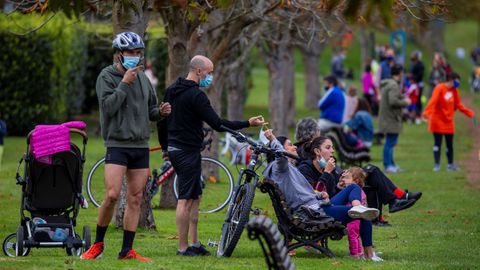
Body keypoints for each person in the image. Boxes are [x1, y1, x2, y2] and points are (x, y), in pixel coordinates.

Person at [157, 55, 265, 256]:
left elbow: (162, 122)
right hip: (186, 151)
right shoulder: (197, 96)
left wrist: (165, 147)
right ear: (199, 71)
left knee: (195, 196)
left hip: (177, 149)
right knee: (185, 199)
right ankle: (182, 248)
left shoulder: (172, 90)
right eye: (210, 72)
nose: (211, 76)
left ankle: (195, 243)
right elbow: (218, 124)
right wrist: (247, 124)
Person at [81, 32, 171, 261]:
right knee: (112, 195)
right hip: (117, 144)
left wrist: (160, 112)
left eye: (139, 53)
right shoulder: (106, 76)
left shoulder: (143, 79)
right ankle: (97, 245)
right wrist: (123, 84)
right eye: (131, 52)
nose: (136, 57)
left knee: (136, 197)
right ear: (119, 54)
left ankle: (126, 251)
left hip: (140, 145)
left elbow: (150, 111)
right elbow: (108, 108)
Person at [262, 130, 383, 261]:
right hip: (312, 212)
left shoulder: (287, 170)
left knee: (354, 190)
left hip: (316, 205)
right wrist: (273, 139)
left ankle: (358, 207)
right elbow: (280, 156)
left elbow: (303, 193)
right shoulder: (279, 168)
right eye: (290, 145)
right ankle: (370, 254)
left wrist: (320, 194)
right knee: (364, 214)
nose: (295, 146)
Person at [296, 136, 421, 223]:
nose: (332, 151)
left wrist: (339, 186)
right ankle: (397, 198)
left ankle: (369, 253)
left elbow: (332, 192)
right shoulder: (305, 169)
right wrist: (327, 172)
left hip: (331, 202)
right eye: (328, 148)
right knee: (372, 171)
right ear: (317, 151)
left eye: (332, 148)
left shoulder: (330, 167)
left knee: (371, 172)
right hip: (318, 209)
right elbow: (315, 194)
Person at [423, 72, 475, 172]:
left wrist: (469, 113)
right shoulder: (439, 88)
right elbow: (433, 101)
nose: (458, 83)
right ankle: (437, 165)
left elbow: (458, 104)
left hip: (448, 121)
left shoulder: (454, 90)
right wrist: (426, 113)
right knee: (437, 143)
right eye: (457, 80)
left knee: (449, 144)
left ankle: (450, 165)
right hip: (437, 120)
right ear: (451, 80)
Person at [378, 64, 410, 173]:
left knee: (390, 142)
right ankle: (388, 166)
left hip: (388, 118)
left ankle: (391, 164)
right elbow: (393, 101)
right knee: (390, 143)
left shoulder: (389, 84)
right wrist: (405, 102)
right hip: (391, 119)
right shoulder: (393, 85)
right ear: (400, 73)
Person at [337, 167, 368, 259]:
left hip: (353, 217)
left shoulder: (355, 191)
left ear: (356, 180)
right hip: (356, 217)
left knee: (352, 235)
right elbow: (340, 187)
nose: (344, 180)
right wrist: (341, 180)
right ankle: (360, 253)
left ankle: (354, 254)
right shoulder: (359, 190)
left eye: (347, 178)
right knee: (356, 235)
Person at [409, 51, 425, 124]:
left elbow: (420, 75)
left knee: (418, 100)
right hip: (413, 84)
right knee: (412, 100)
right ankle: (412, 115)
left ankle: (418, 115)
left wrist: (413, 78)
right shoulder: (412, 64)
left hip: (418, 84)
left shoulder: (421, 65)